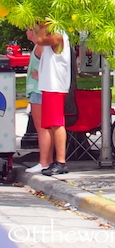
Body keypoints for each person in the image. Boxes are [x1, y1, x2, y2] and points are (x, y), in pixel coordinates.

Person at [34, 22, 71, 176]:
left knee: (57, 123)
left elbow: (39, 40)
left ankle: (61, 161)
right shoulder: (53, 34)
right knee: (51, 124)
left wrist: (42, 25)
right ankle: (55, 161)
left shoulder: (58, 35)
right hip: (50, 86)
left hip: (55, 86)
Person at [24, 26, 53, 174]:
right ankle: (47, 161)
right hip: (38, 89)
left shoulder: (40, 46)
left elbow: (47, 65)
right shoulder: (40, 46)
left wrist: (40, 76)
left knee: (42, 128)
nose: (26, 32)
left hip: (37, 90)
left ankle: (44, 162)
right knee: (45, 127)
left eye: (29, 29)